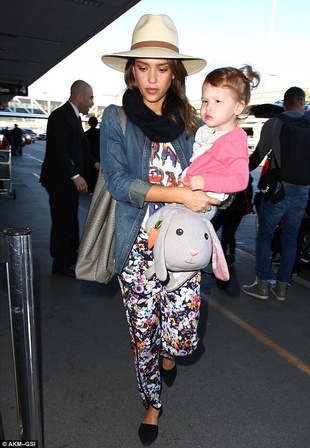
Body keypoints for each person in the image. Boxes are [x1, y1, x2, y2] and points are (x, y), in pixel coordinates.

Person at [100, 14, 218, 447]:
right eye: (144, 67)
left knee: (181, 333)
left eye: (162, 68)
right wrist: (176, 193)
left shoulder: (190, 123)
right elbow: (116, 181)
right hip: (137, 247)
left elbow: (209, 176)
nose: (152, 78)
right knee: (141, 333)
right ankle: (152, 403)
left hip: (183, 245)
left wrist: (203, 193)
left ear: (175, 73)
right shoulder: (116, 119)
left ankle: (169, 355)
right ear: (132, 70)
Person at [242, 87, 310, 301]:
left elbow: (257, 156)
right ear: (301, 101)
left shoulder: (275, 123)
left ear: (285, 102)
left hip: (279, 190)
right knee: (291, 238)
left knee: (265, 235)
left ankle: (262, 284)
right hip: (304, 191)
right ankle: (281, 288)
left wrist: (239, 176)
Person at [182, 65, 260, 221]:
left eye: (217, 101)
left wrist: (206, 182)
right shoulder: (210, 132)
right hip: (191, 197)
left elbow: (240, 180)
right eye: (205, 101)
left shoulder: (234, 139)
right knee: (155, 223)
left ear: (238, 107)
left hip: (204, 202)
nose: (208, 107)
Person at [40, 80, 100, 276]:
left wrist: (95, 164)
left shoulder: (72, 117)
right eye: (90, 97)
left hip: (66, 182)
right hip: (60, 181)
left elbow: (80, 149)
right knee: (63, 222)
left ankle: (70, 254)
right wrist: (75, 175)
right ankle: (60, 263)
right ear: (80, 96)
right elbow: (58, 150)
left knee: (70, 220)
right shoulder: (60, 116)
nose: (92, 102)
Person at [212, 174, 253, 265]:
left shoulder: (230, 176)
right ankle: (229, 255)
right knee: (228, 233)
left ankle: (225, 256)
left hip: (230, 208)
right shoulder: (244, 178)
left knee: (225, 233)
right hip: (236, 209)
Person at [85, 116, 100, 193]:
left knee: (91, 173)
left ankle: (90, 188)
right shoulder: (100, 133)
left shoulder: (86, 134)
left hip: (90, 155)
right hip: (99, 155)